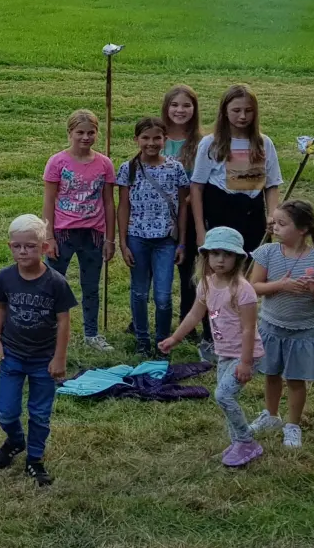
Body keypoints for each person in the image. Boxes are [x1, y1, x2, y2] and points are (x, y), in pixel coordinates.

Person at [160, 227, 264, 468]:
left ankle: (246, 441)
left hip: (245, 354)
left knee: (224, 395)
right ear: (206, 256)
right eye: (215, 253)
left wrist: (246, 362)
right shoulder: (206, 284)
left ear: (238, 258)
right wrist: (175, 338)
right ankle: (237, 441)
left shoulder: (243, 290)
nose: (220, 259)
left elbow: (249, 328)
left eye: (227, 254)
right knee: (224, 397)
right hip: (224, 353)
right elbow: (195, 314)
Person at [0, 214, 76, 487]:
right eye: (17, 246)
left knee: (39, 412)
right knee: (6, 411)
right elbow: (0, 306)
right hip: (13, 356)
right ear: (9, 247)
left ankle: (35, 459)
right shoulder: (5, 278)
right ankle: (16, 441)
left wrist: (59, 357)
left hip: (43, 359)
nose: (23, 251)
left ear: (44, 248)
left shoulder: (55, 282)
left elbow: (64, 321)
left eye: (30, 246)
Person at [249, 200, 314, 447]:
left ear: (303, 229)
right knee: (271, 373)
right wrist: (281, 285)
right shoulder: (266, 253)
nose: (274, 227)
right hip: (271, 327)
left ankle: (293, 425)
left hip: (303, 331)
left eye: (281, 223)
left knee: (297, 379)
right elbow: (254, 287)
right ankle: (271, 415)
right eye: (274, 222)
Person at [42, 109, 116, 351]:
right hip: (63, 232)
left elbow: (108, 202)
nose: (85, 137)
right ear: (70, 133)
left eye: (91, 132)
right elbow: (49, 201)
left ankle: (91, 333)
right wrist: (49, 236)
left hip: (93, 233)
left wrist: (109, 238)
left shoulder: (104, 164)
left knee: (91, 285)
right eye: (80, 132)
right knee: (53, 283)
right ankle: (48, 331)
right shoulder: (58, 162)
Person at [116, 117, 189, 356]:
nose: (151, 143)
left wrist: (182, 242)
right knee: (138, 291)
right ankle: (141, 339)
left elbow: (182, 206)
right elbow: (123, 206)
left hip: (166, 240)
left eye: (157, 138)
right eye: (145, 138)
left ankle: (162, 341)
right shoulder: (128, 168)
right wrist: (123, 242)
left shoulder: (175, 168)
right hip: (137, 237)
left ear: (165, 140)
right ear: (136, 140)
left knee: (163, 295)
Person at [191, 85, 282, 256]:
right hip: (221, 213)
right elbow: (197, 187)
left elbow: (272, 185)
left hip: (254, 215)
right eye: (236, 110)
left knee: (254, 267)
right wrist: (200, 230)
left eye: (248, 111)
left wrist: (272, 216)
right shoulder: (211, 144)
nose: (242, 116)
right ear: (225, 111)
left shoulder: (264, 143)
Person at [162, 85, 209, 350]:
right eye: (175, 105)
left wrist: (188, 201)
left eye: (186, 105)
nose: (180, 110)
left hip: (190, 215)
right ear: (166, 108)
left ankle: (187, 322)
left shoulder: (202, 143)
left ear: (195, 109)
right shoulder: (157, 137)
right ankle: (148, 320)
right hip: (159, 216)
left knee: (189, 270)